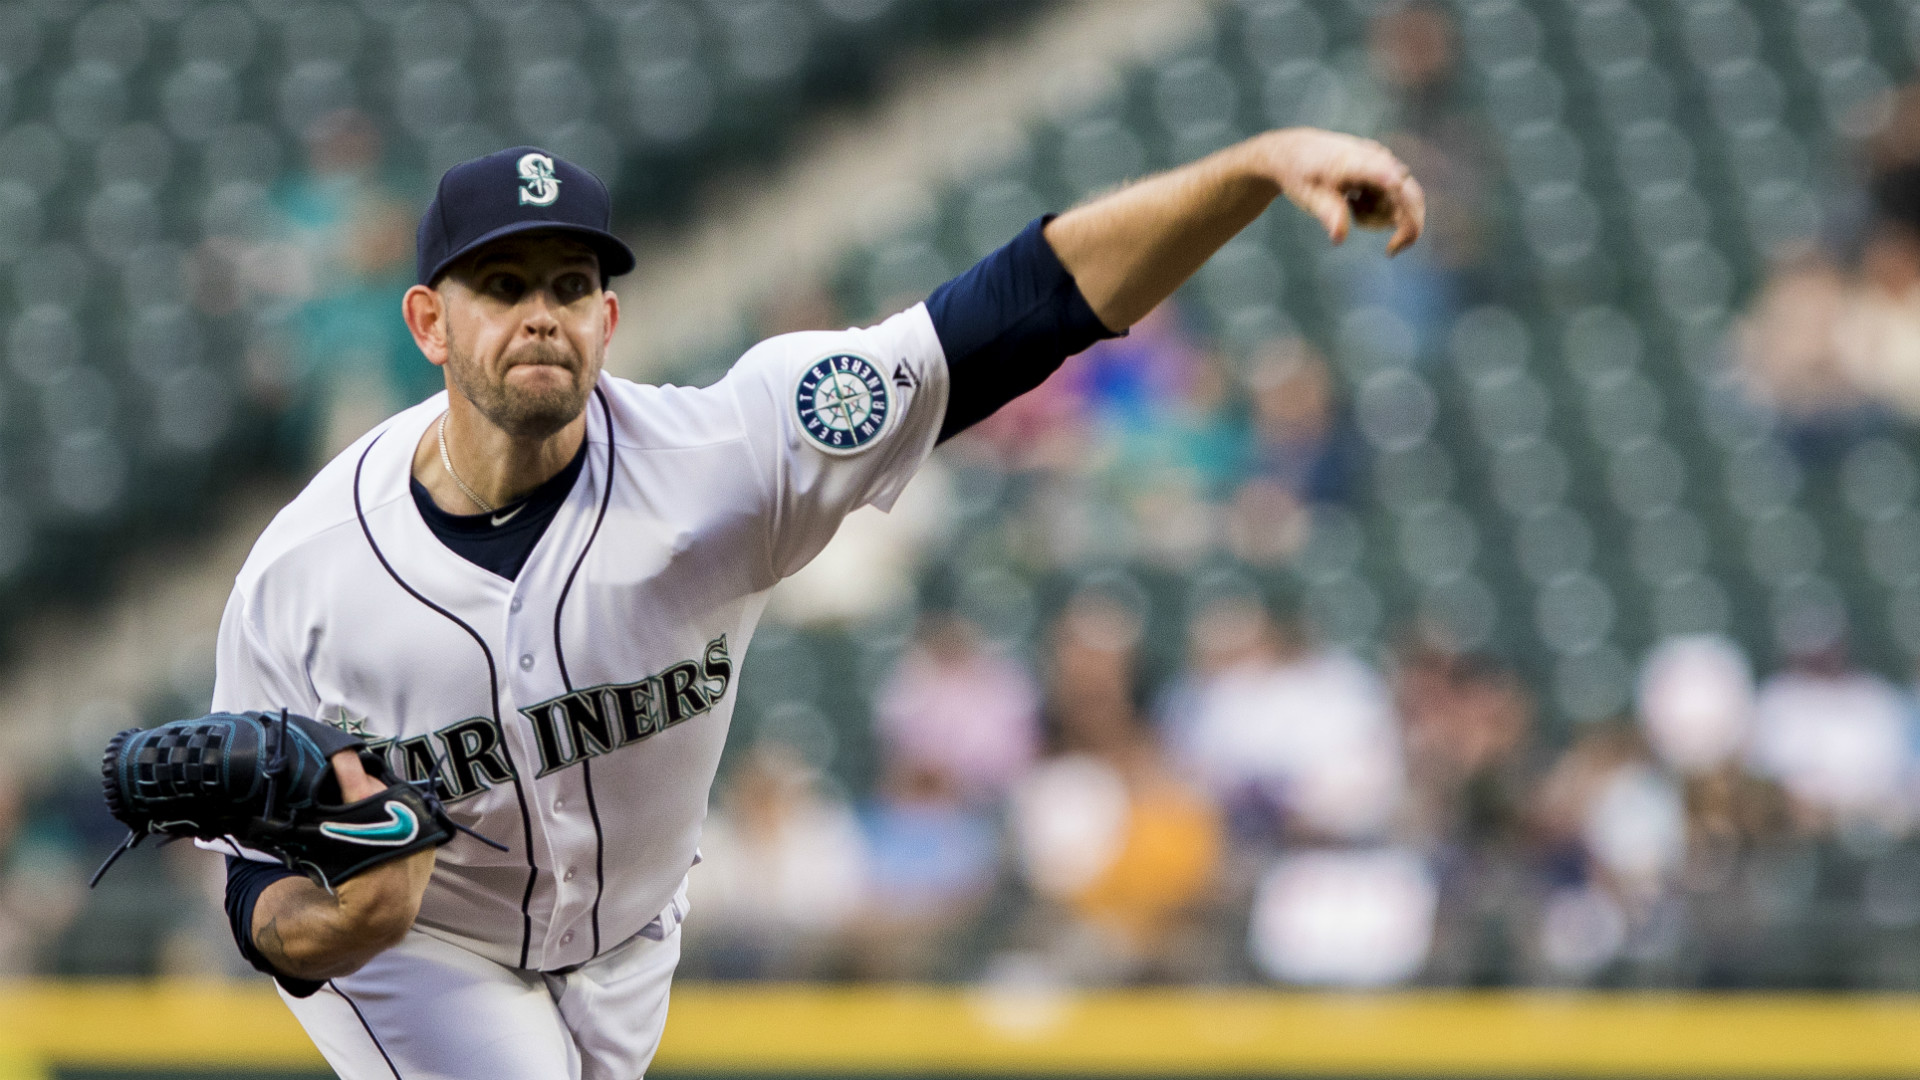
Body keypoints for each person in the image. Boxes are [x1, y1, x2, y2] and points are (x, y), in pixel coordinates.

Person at [207, 131, 1422, 1078]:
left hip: (627, 938)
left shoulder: (725, 456)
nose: (540, 312)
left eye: (569, 284)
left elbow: (1018, 310)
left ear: (608, 319)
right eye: (501, 282)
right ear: (429, 321)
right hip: (426, 948)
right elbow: (252, 883)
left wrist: (1253, 170)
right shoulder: (309, 573)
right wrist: (331, 928)